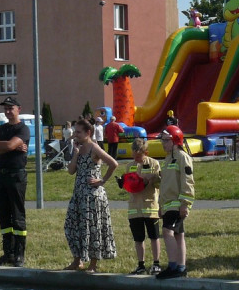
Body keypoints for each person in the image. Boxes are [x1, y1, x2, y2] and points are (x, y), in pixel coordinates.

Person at [62, 117, 118, 272]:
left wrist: (102, 180)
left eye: (78, 132)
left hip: (92, 196)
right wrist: (75, 153)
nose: (76, 135)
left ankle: (93, 264)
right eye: (75, 132)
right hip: (79, 194)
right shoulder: (79, 149)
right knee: (72, 226)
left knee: (93, 228)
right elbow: (71, 171)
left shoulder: (94, 148)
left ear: (88, 132)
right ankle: (77, 260)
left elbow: (113, 163)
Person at [0, 96, 30, 267]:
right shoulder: (1, 128)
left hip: (16, 175)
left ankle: (19, 254)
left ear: (18, 109)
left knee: (17, 215)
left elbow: (9, 146)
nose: (7, 111)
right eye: (5, 108)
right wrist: (2, 145)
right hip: (1, 175)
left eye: (10, 108)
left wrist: (3, 145)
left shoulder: (23, 129)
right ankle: (8, 253)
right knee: (3, 214)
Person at [155, 125, 194, 279]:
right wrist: (160, 205)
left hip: (177, 203)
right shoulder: (167, 159)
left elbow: (188, 181)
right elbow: (165, 184)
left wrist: (185, 202)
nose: (163, 144)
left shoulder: (182, 157)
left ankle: (172, 266)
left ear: (175, 140)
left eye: (166, 140)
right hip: (168, 204)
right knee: (178, 235)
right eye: (162, 141)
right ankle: (181, 266)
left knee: (167, 232)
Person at [121, 137, 163, 275]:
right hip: (134, 208)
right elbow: (128, 186)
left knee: (154, 236)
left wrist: (153, 179)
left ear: (146, 152)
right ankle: (141, 265)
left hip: (150, 207)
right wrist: (123, 183)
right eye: (134, 155)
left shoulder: (154, 164)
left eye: (139, 155)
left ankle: (156, 263)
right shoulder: (129, 166)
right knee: (138, 238)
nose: (136, 158)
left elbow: (159, 184)